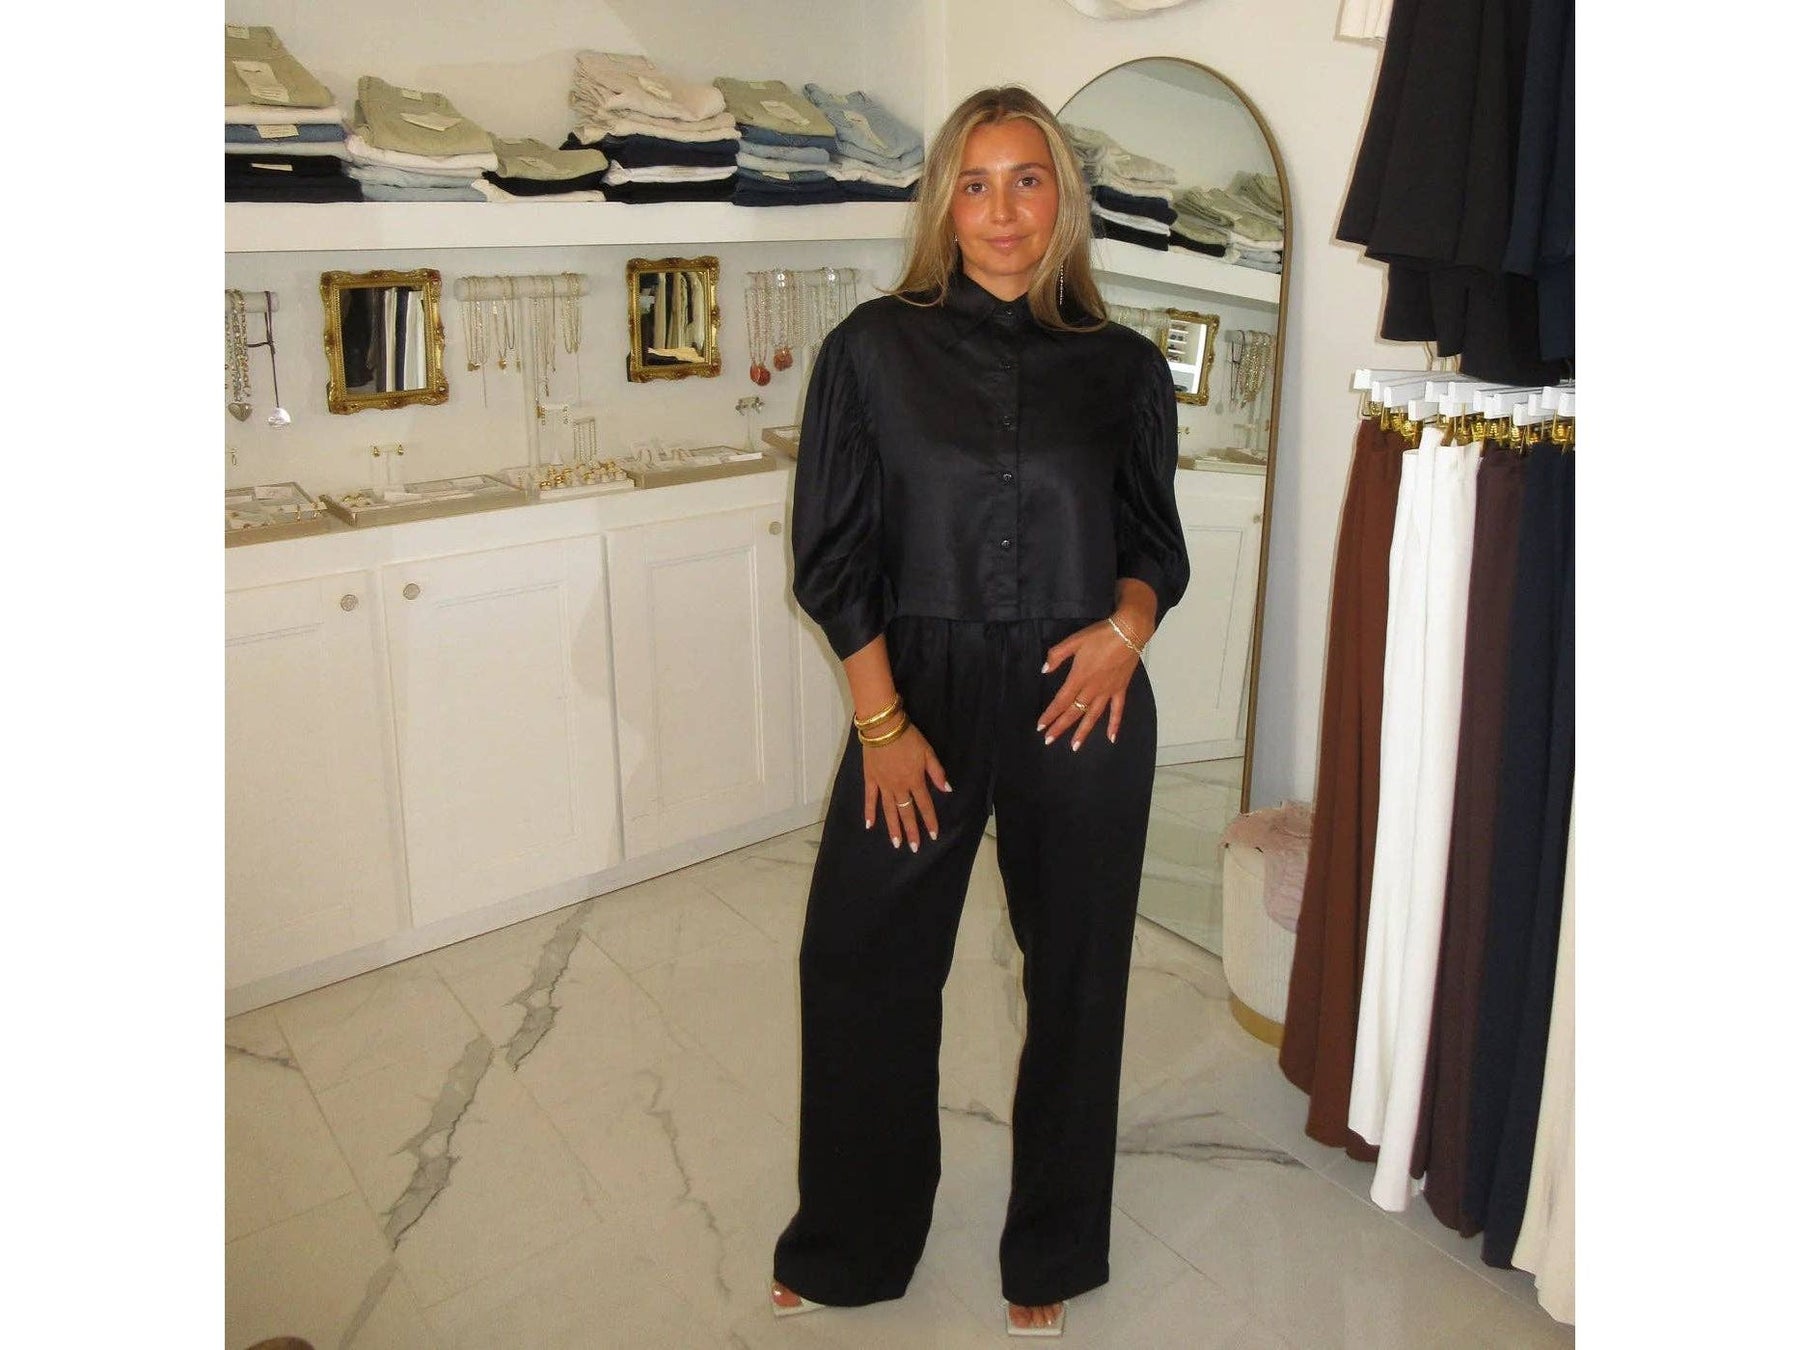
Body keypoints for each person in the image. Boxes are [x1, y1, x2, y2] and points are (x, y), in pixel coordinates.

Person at [771, 84, 1189, 1339]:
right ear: (943, 204)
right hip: (920, 690)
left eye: (1028, 180)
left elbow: (1152, 545)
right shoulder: (870, 352)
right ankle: (852, 1242)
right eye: (976, 183)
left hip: (1082, 695)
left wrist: (1126, 634)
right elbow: (833, 557)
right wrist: (883, 728)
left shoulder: (1124, 368)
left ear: (1063, 201)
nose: (1003, 211)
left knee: (1077, 975)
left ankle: (1051, 1244)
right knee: (859, 960)